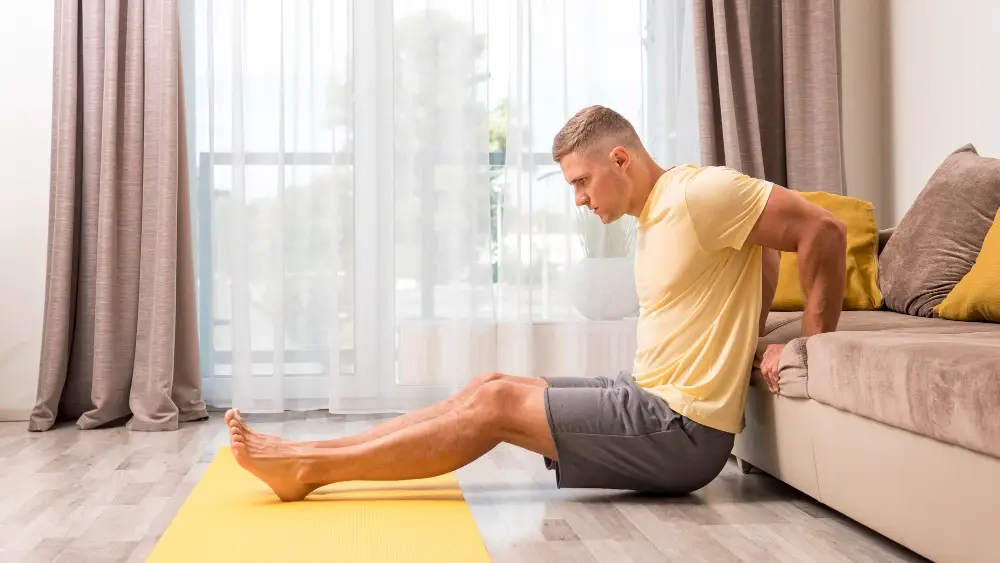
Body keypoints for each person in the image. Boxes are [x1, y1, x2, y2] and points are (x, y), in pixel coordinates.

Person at [225, 105, 847, 501]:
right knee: (490, 383)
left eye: (581, 181)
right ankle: (309, 453)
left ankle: (309, 469)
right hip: (648, 392)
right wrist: (752, 335)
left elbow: (821, 230)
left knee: (495, 405)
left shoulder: (701, 193)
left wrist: (807, 345)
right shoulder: (660, 213)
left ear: (620, 159)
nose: (577, 198)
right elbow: (764, 250)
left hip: (680, 430)